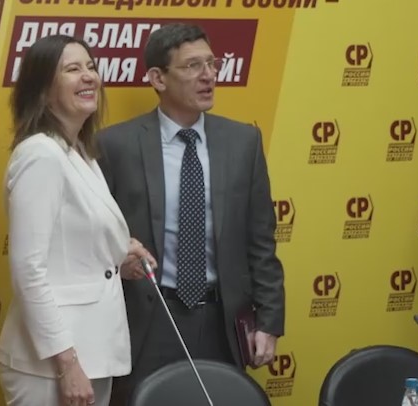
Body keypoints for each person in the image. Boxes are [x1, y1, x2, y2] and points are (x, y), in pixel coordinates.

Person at [96, 23, 286, 405]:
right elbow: (95, 238)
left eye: (212, 64)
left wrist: (268, 321)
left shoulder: (243, 142)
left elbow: (260, 240)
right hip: (147, 319)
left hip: (221, 320)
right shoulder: (115, 145)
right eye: (192, 66)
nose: (208, 75)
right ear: (157, 78)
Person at [0, 34, 158, 406]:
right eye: (72, 69)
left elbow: (68, 248)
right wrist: (67, 364)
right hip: (52, 363)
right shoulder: (41, 155)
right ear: (42, 91)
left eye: (91, 67)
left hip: (91, 353)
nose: (89, 76)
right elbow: (28, 269)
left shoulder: (78, 152)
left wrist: (118, 257)